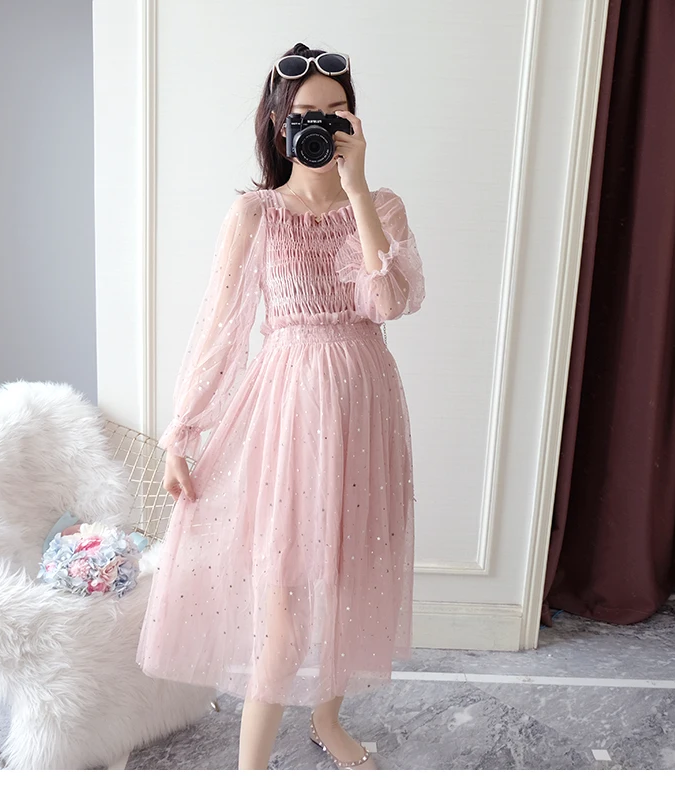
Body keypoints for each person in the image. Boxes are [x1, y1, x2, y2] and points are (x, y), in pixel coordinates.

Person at [136, 42, 426, 770]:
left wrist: (358, 191)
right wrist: (183, 430)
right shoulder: (255, 213)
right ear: (279, 123)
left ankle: (327, 721)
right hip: (289, 415)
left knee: (349, 578)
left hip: (366, 407)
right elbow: (220, 327)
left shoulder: (382, 205)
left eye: (337, 112)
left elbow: (389, 301)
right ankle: (250, 771)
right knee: (285, 602)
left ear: (354, 120)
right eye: (306, 114)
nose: (322, 126)